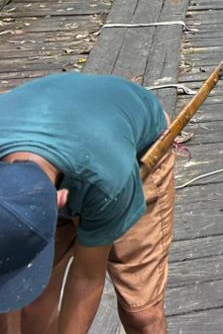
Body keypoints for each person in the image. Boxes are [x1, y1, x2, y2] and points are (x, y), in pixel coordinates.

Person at [0, 73, 174, 334]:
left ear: (61, 200)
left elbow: (87, 276)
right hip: (64, 124)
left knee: (142, 315)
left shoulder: (106, 182)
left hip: (132, 144)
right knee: (30, 311)